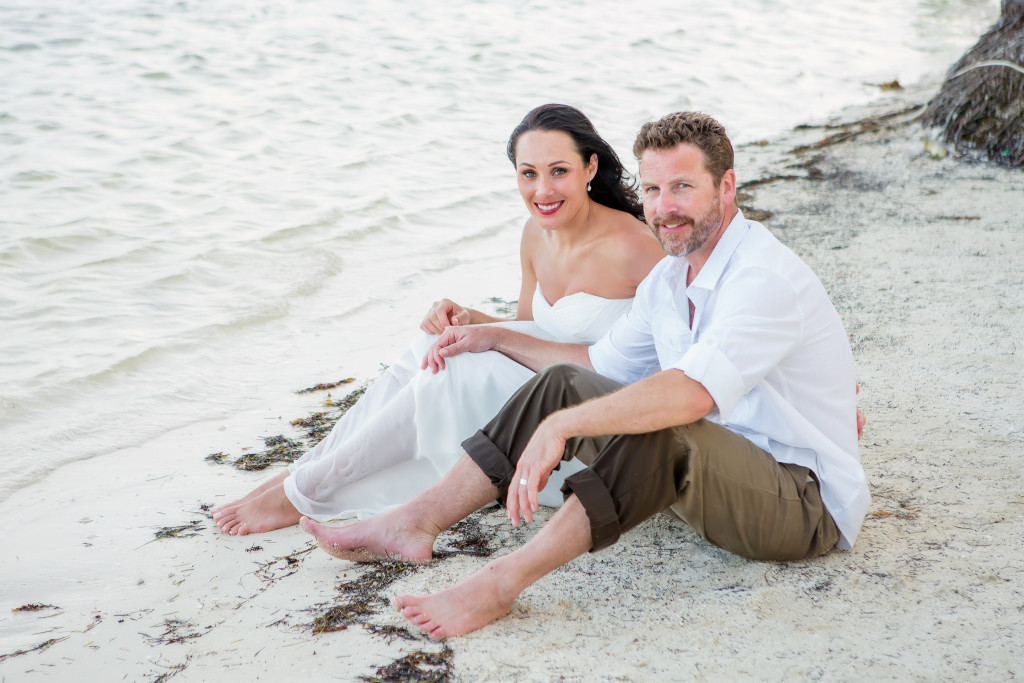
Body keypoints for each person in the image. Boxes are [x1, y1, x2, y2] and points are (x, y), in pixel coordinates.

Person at [300, 111, 872, 639]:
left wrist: (559, 430)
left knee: (658, 425)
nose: (664, 207)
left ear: (726, 188)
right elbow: (594, 366)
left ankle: (499, 586)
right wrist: (495, 334)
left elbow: (689, 396)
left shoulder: (760, 277)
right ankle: (415, 521)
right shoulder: (668, 281)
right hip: (719, 473)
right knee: (560, 387)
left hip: (799, 504)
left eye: (683, 187)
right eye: (652, 189)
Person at [212, 104, 667, 535]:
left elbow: (657, 366)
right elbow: (533, 329)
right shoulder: (536, 235)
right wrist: (468, 319)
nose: (542, 191)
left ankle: (304, 493)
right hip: (539, 394)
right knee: (432, 348)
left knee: (452, 367)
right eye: (528, 174)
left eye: (559, 171)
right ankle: (307, 472)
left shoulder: (635, 247)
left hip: (592, 427)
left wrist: (485, 339)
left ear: (589, 168)